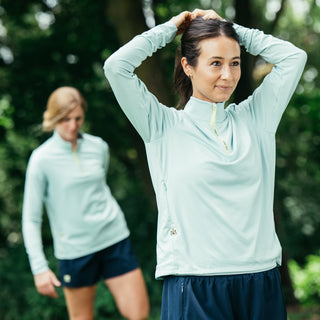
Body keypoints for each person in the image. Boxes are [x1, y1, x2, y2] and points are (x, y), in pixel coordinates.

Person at [104, 8, 307, 320]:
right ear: (188, 66)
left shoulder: (256, 118)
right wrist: (171, 29)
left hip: (260, 280)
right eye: (216, 63)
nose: (228, 75)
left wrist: (229, 29)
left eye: (234, 63)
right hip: (193, 284)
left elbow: (294, 58)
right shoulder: (162, 125)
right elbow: (117, 66)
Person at [22, 86, 149, 320]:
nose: (72, 126)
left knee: (139, 315)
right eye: (65, 120)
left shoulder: (98, 147)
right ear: (52, 119)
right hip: (75, 252)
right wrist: (39, 268)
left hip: (114, 238)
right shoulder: (41, 160)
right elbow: (31, 219)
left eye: (78, 118)